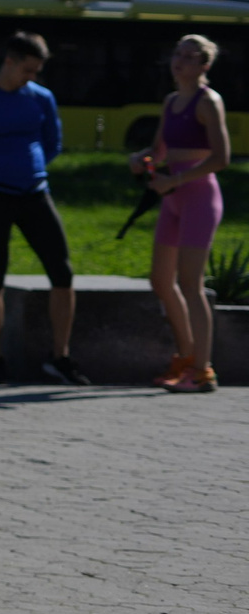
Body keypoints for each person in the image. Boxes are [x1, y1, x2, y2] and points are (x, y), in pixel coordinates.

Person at [0, 32, 86, 385]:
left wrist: (31, 168)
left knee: (62, 273)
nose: (32, 78)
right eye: (27, 70)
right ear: (9, 61)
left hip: (35, 194)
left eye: (37, 71)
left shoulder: (41, 99)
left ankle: (61, 357)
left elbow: (52, 143)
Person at [135, 33, 230, 393]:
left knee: (191, 284)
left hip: (199, 197)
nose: (181, 61)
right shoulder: (172, 100)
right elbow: (159, 149)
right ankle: (186, 356)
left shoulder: (209, 102)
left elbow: (221, 158)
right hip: (173, 195)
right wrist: (142, 160)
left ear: (204, 66)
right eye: (178, 53)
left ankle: (203, 370)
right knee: (161, 281)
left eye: (191, 57)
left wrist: (176, 180)